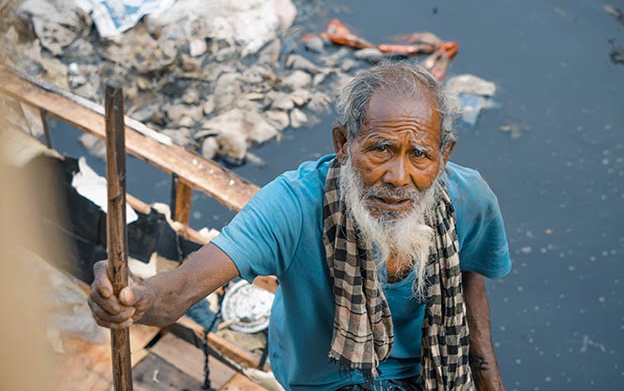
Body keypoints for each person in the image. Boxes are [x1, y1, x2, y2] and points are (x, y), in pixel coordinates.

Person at [89, 61, 511, 391]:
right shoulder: (292, 205)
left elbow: (470, 277)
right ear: (343, 144)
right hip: (322, 381)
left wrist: (489, 378)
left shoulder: (468, 200)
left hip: (432, 368)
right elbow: (180, 290)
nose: (399, 177)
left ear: (445, 155)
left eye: (419, 155)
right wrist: (136, 299)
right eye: (380, 149)